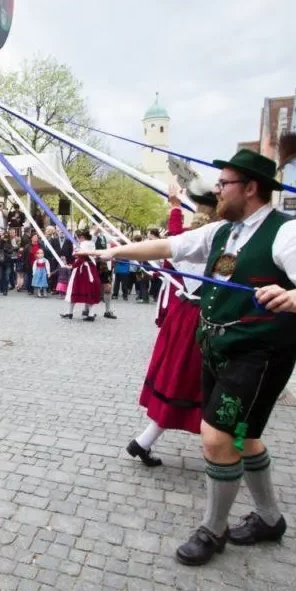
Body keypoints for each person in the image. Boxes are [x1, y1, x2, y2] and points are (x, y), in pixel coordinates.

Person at [95, 148, 296, 566]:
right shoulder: (222, 233)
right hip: (217, 349)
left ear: (250, 188)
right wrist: (115, 253)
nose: (217, 191)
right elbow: (173, 245)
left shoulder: (290, 233)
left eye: (224, 184)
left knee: (216, 439)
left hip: (259, 353)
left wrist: (295, 296)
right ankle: (270, 519)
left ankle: (212, 531)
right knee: (243, 437)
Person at [126, 182, 219, 467]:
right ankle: (227, 451)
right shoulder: (217, 242)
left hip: (181, 317)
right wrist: (176, 205)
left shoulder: (186, 238)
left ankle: (143, 442)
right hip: (200, 319)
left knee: (181, 381)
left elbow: (174, 237)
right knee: (194, 384)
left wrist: (175, 204)